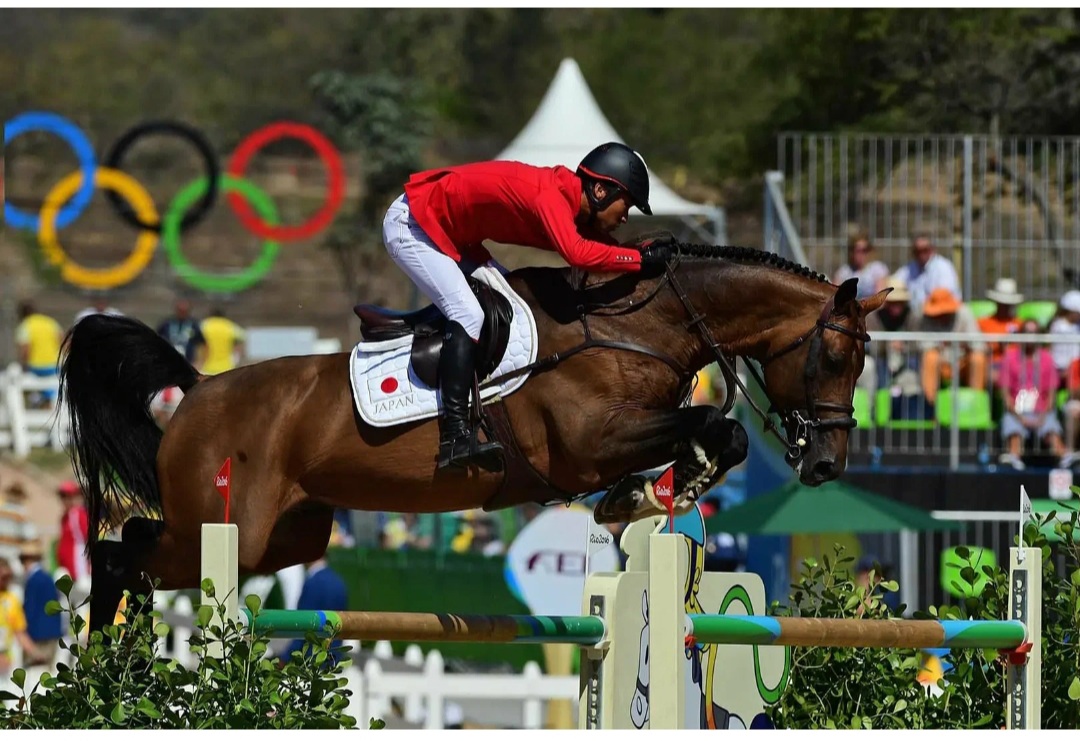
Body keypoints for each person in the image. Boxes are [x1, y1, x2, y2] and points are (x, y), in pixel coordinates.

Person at [385, 142, 668, 471]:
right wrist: (638, 259)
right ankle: (455, 436)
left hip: (454, 238)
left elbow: (598, 245)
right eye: (627, 204)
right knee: (469, 314)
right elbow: (578, 253)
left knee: (514, 307)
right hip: (414, 225)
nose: (626, 216)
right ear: (601, 191)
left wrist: (646, 253)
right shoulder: (549, 196)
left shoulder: (566, 200)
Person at [998, 319, 1068, 470]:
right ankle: (1013, 459)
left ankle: (1066, 458)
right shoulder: (1010, 358)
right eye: (1027, 332)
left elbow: (1051, 395)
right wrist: (1020, 417)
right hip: (1016, 411)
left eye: (1034, 333)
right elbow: (1005, 394)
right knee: (1013, 427)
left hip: (1042, 411)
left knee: (1051, 427)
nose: (1030, 336)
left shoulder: (1047, 358)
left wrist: (1042, 417)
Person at [18, 540, 62, 668]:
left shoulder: (33, 579)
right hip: (52, 633)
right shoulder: (47, 577)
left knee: (33, 674)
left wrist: (25, 634)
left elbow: (30, 609)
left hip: (36, 636)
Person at [891, 233, 961, 309]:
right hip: (918, 312)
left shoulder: (943, 267)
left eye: (925, 250)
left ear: (932, 249)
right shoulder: (910, 268)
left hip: (941, 311)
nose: (921, 254)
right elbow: (894, 282)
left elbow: (944, 295)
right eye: (917, 251)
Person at [15, 301, 63, 406]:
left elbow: (25, 349)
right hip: (55, 365)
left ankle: (40, 402)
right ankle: (47, 401)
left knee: (24, 383)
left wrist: (23, 365)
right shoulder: (50, 322)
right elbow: (62, 340)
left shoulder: (25, 325)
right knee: (51, 386)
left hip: (36, 367)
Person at [832, 232, 889, 300]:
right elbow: (834, 296)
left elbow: (880, 298)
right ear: (851, 252)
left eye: (864, 250)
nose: (861, 254)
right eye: (857, 250)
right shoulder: (843, 272)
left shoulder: (877, 268)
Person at [199, 308, 246, 375]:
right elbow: (243, 336)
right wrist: (236, 356)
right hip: (226, 368)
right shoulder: (229, 325)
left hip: (207, 367)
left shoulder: (204, 325)